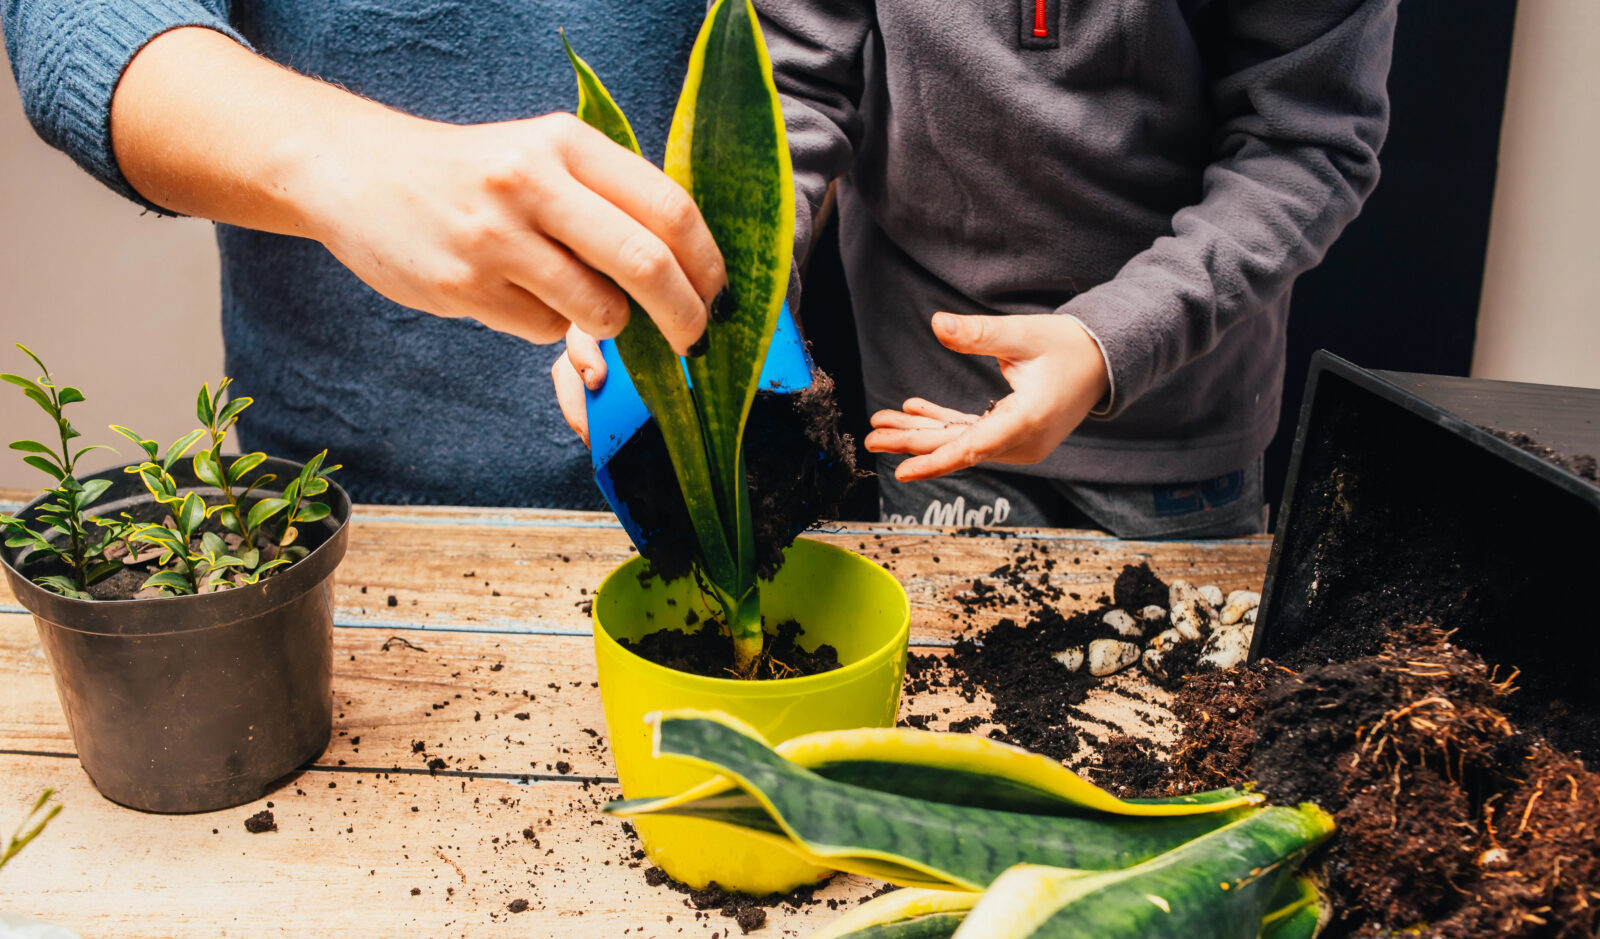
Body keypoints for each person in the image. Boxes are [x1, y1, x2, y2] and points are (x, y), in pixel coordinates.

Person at [558, 0, 1398, 537]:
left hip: (1177, 427)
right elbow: (786, 87)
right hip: (934, 412)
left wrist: (1110, 341)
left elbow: (1306, 144)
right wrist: (686, 298)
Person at [3, 1, 724, 507]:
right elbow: (73, 18)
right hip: (335, 507)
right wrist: (346, 162)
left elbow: (809, 58)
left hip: (738, 474)